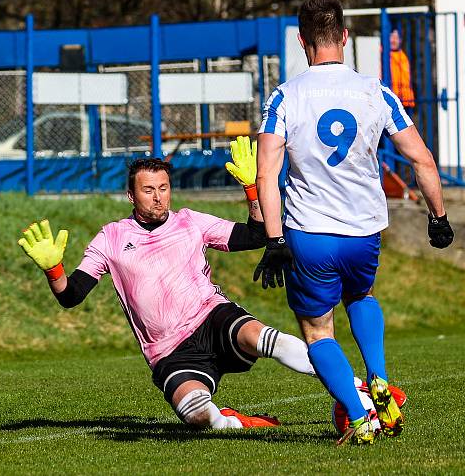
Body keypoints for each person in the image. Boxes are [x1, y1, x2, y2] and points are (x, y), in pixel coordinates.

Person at [255, 0, 455, 445]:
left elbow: (266, 171)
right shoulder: (375, 90)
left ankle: (360, 415)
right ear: (344, 37)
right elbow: (421, 158)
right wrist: (438, 217)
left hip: (310, 234)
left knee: (317, 330)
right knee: (361, 294)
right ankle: (379, 379)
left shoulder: (287, 95)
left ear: (302, 41)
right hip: (364, 232)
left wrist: (273, 240)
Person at [17, 138, 318, 431]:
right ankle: (235, 422)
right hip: (168, 351)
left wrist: (251, 190)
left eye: (163, 188)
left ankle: (350, 386)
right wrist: (54, 270)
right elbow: (71, 295)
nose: (158, 197)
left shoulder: (190, 222)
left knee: (265, 338)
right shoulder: (111, 238)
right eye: (148, 190)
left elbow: (254, 235)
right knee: (199, 416)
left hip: (211, 317)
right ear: (131, 196)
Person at [389, 28, 416, 116]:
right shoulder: (384, 54)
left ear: (400, 40)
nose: (393, 40)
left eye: (396, 38)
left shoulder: (403, 56)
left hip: (404, 99)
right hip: (391, 98)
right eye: (392, 37)